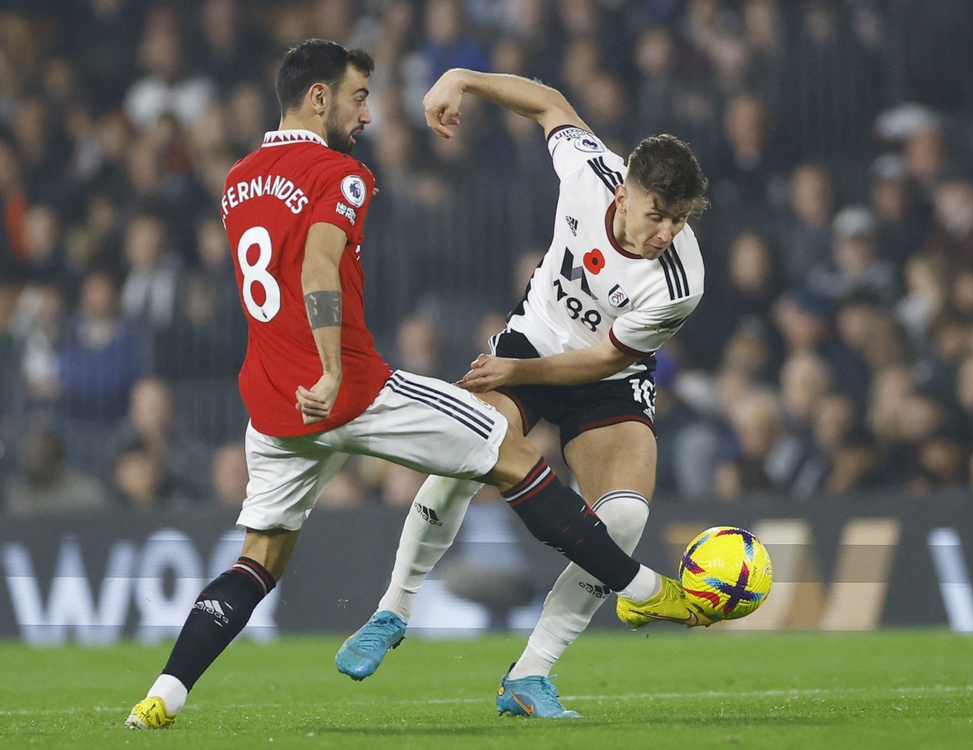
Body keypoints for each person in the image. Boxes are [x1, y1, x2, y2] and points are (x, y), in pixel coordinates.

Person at [125, 39, 697, 731]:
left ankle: (164, 693)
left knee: (260, 559)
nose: (369, 113)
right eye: (360, 96)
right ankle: (633, 588)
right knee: (498, 449)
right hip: (365, 384)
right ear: (320, 98)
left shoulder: (239, 177)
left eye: (679, 218)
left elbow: (609, 358)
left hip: (276, 405)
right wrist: (334, 367)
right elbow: (316, 270)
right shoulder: (345, 175)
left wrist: (462, 77)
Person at [335, 67, 710, 718]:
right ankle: (393, 610)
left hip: (605, 378)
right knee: (462, 455)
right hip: (536, 337)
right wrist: (460, 79)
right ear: (625, 192)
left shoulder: (679, 281)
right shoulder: (589, 170)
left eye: (677, 221)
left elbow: (602, 360)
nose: (665, 234)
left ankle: (529, 675)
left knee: (622, 521)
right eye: (657, 216)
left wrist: (513, 376)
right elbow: (551, 102)